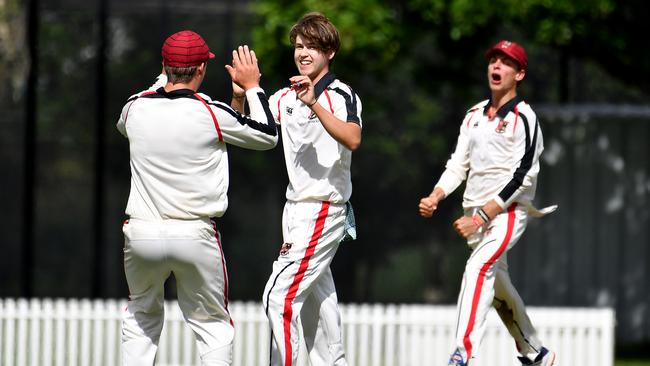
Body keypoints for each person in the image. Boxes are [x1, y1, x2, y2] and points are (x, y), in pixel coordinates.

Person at [116, 30, 278, 366]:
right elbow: (267, 135)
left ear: (164, 66)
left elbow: (144, 101)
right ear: (202, 69)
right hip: (194, 235)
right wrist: (252, 87)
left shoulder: (133, 109)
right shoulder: (211, 113)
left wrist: (169, 72)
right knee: (212, 326)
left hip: (142, 233)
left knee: (140, 317)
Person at [418, 40, 557, 366]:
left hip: (507, 212)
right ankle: (536, 352)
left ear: (519, 73)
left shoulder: (526, 117)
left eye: (506, 63)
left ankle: (461, 354)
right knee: (496, 288)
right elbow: (458, 165)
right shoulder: (474, 115)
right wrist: (436, 195)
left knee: (478, 269)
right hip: (474, 215)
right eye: (493, 60)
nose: (496, 66)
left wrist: (482, 216)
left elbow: (523, 175)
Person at [258, 12, 362, 366]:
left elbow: (352, 138)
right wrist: (242, 93)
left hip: (322, 209)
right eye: (299, 46)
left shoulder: (340, 94)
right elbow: (255, 128)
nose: (303, 53)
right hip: (295, 211)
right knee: (319, 304)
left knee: (279, 297)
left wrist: (314, 103)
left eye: (312, 47)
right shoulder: (286, 95)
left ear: (329, 52)